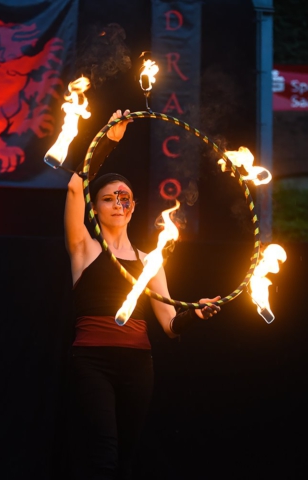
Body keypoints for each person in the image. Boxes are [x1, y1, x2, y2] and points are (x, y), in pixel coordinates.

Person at [64, 109, 221, 479]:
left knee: (127, 457)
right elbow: (74, 186)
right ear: (95, 207)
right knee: (103, 454)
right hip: (92, 361)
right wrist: (108, 142)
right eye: (109, 198)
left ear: (133, 207)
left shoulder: (150, 260)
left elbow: (169, 324)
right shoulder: (84, 247)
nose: (119, 203)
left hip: (138, 365)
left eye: (126, 198)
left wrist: (195, 314)